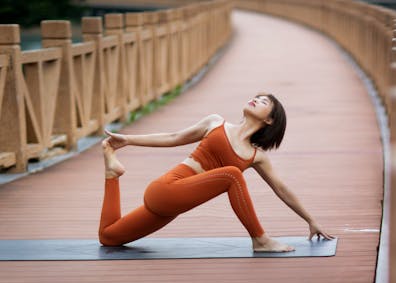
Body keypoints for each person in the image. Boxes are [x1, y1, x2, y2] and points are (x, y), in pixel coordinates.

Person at [98, 93, 333, 252]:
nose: (255, 99)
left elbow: (281, 189)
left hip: (173, 206)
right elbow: (173, 137)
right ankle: (260, 239)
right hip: (166, 189)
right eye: (256, 97)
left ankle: (112, 172)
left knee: (109, 238)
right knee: (232, 173)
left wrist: (311, 220)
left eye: (262, 102)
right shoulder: (215, 123)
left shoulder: (256, 156)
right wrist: (127, 140)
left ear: (270, 119)